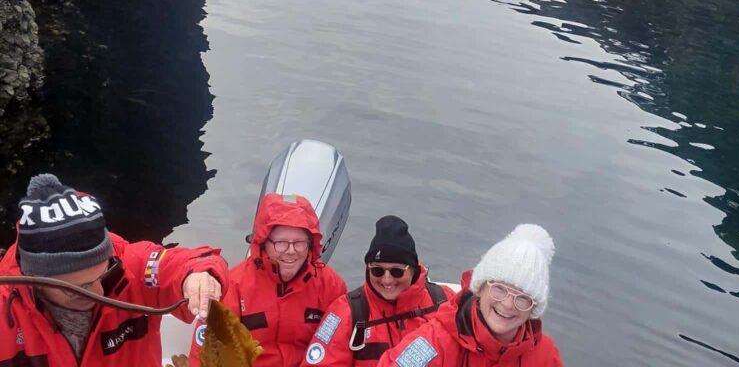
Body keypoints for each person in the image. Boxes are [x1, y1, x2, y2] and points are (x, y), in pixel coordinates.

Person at [0, 173, 229, 367]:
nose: (98, 292)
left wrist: (199, 276)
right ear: (34, 278)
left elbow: (184, 262)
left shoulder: (132, 267)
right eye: (78, 289)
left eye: (104, 274)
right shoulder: (5, 311)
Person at [188, 193, 347, 367]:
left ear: (311, 244)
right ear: (264, 242)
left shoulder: (331, 286)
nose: (291, 251)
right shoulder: (233, 285)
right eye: (281, 243)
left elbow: (337, 349)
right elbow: (206, 353)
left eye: (299, 242)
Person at [377, 224, 563, 367]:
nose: (508, 304)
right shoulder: (434, 343)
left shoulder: (545, 355)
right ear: (480, 288)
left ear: (533, 308)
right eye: (499, 288)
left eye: (523, 298)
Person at [301, 215, 455, 367]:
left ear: (413, 270)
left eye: (396, 272)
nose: (386, 280)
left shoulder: (444, 302)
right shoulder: (346, 313)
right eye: (377, 271)